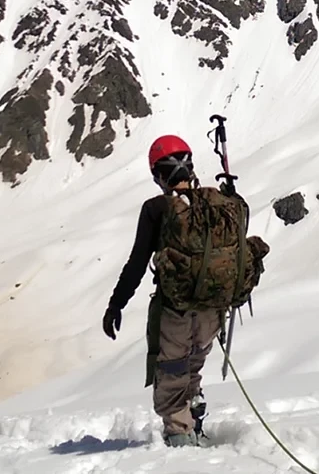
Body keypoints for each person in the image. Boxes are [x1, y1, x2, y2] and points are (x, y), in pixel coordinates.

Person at [102, 135, 266, 448]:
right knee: (192, 364)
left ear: (158, 175)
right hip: (214, 307)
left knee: (172, 369)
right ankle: (194, 410)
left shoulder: (157, 209)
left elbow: (137, 263)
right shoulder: (220, 202)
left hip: (176, 307)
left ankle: (180, 435)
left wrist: (116, 304)